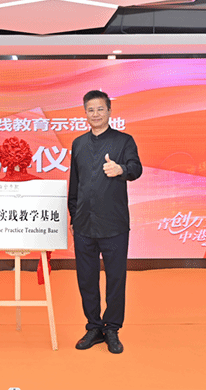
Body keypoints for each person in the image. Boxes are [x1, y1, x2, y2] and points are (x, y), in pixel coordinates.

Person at [68, 90, 142, 354]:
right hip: (84, 224)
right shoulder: (78, 144)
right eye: (90, 110)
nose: (95, 114)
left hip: (114, 224)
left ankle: (112, 328)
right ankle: (93, 327)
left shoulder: (124, 141)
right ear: (85, 113)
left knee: (115, 279)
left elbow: (136, 168)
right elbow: (74, 183)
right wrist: (73, 214)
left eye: (100, 109)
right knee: (86, 279)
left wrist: (121, 169)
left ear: (109, 111)